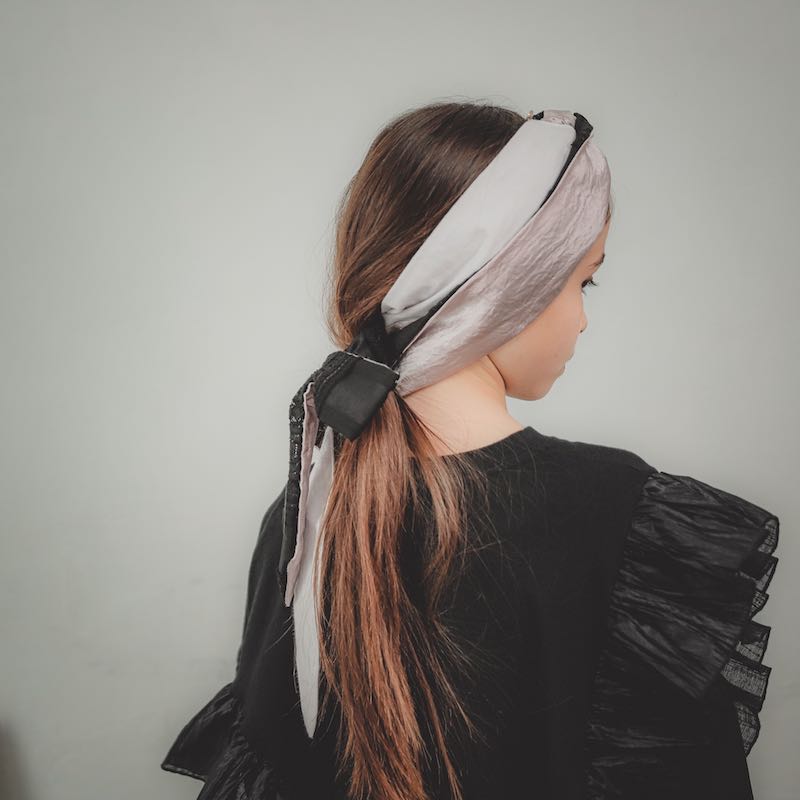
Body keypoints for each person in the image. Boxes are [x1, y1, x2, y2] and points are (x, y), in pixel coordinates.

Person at [160, 102, 779, 800]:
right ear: (511, 282)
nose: (582, 317)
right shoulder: (621, 517)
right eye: (582, 280)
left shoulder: (302, 515)